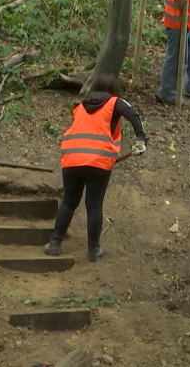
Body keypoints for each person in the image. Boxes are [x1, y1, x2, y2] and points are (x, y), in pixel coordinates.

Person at [43, 74, 147, 262]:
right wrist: (140, 138)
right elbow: (132, 113)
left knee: (68, 202)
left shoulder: (81, 106)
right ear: (114, 90)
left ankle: (55, 244)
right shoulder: (115, 102)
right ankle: (93, 249)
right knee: (93, 205)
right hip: (98, 161)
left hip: (72, 158)